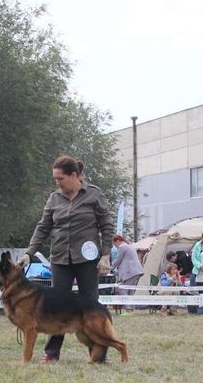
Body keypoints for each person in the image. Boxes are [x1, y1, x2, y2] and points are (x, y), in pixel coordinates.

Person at [18, 155, 113, 363]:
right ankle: (52, 353)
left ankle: (98, 355)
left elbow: (106, 225)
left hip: (88, 260)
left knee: (90, 304)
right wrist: (29, 253)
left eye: (60, 178)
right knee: (56, 305)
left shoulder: (94, 195)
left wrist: (106, 255)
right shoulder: (54, 198)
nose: (57, 183)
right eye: (55, 179)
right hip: (60, 259)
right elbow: (43, 227)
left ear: (74, 175)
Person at [111, 234, 144, 308]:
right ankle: (132, 308)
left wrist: (109, 268)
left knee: (122, 289)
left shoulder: (122, 247)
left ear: (118, 241)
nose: (115, 246)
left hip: (131, 271)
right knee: (130, 291)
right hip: (137, 271)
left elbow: (118, 260)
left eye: (114, 244)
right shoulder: (129, 245)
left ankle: (128, 309)